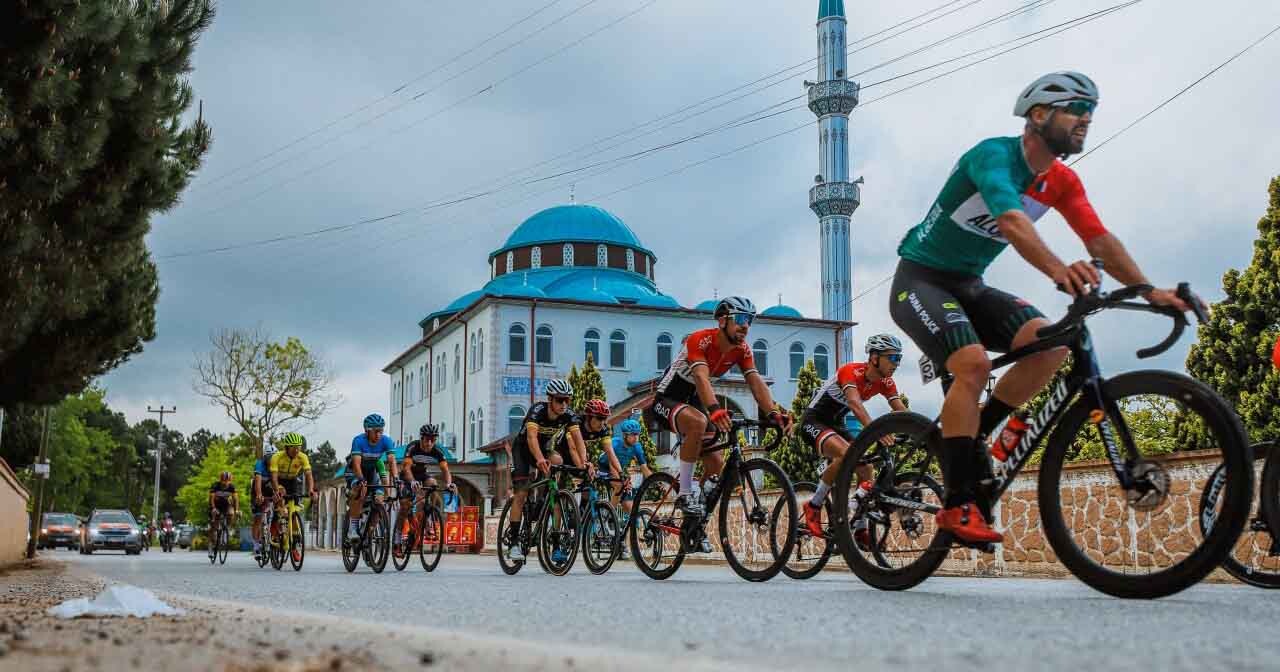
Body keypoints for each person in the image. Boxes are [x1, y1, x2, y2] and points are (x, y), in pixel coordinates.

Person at [890, 71, 1196, 544]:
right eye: (1076, 107)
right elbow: (1011, 220)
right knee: (970, 365)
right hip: (920, 280)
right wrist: (1057, 270)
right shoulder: (993, 156)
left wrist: (1149, 291)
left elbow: (1098, 238)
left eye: (1091, 109)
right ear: (1038, 115)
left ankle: (974, 440)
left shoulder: (1062, 181)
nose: (1087, 117)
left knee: (1050, 345)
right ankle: (956, 504)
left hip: (970, 285)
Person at [647, 296, 793, 552]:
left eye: (749, 321)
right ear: (723, 320)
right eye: (740, 319)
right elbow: (702, 378)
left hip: (694, 399)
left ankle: (695, 521)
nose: (745, 326)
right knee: (698, 421)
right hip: (668, 397)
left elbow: (756, 382)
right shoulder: (700, 340)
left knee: (716, 463)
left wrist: (773, 413)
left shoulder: (742, 349)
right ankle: (684, 493)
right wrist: (715, 409)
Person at [798, 334, 908, 547]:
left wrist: (920, 432)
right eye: (893, 358)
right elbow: (855, 404)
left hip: (836, 425)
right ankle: (813, 505)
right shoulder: (850, 371)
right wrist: (876, 431)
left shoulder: (886, 382)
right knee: (847, 454)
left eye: (899, 358)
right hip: (814, 420)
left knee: (866, 468)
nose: (897, 363)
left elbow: (901, 411)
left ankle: (860, 530)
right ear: (874, 358)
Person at [503, 379, 586, 562]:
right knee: (522, 493)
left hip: (544, 449)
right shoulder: (537, 411)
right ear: (550, 399)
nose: (564, 404)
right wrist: (539, 459)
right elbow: (532, 438)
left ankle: (554, 540)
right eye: (559, 400)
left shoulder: (568, 415)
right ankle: (514, 543)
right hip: (523, 450)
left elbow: (579, 441)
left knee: (558, 462)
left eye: (567, 400)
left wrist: (585, 463)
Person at [599, 418, 653, 558]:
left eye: (637, 434)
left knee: (631, 509)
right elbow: (612, 468)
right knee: (618, 485)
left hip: (621, 471)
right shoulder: (615, 444)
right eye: (633, 435)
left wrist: (657, 483)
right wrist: (622, 480)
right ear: (625, 435)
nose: (636, 437)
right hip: (605, 467)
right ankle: (608, 515)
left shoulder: (637, 447)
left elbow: (645, 468)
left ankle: (622, 542)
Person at [398, 424, 456, 547]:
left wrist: (449, 484)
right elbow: (406, 468)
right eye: (427, 439)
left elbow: (446, 471)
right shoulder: (413, 447)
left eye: (433, 440)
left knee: (433, 484)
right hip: (407, 476)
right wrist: (412, 481)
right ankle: (397, 538)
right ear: (421, 438)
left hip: (422, 475)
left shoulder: (437, 451)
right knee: (404, 507)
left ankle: (427, 514)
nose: (429, 443)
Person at [346, 414, 398, 542]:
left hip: (371, 473)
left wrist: (395, 480)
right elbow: (356, 465)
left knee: (379, 500)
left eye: (381, 431)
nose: (379, 434)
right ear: (367, 430)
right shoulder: (358, 441)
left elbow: (391, 462)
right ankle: (353, 528)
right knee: (359, 491)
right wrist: (361, 480)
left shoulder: (386, 441)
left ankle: (369, 531)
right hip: (355, 471)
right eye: (376, 431)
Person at [251, 442, 278, 559]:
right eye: (269, 457)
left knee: (279, 509)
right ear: (265, 457)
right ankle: (256, 545)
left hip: (270, 489)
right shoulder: (259, 464)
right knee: (258, 518)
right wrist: (259, 495)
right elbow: (257, 481)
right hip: (259, 490)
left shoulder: (277, 465)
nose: (271, 460)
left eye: (274, 457)